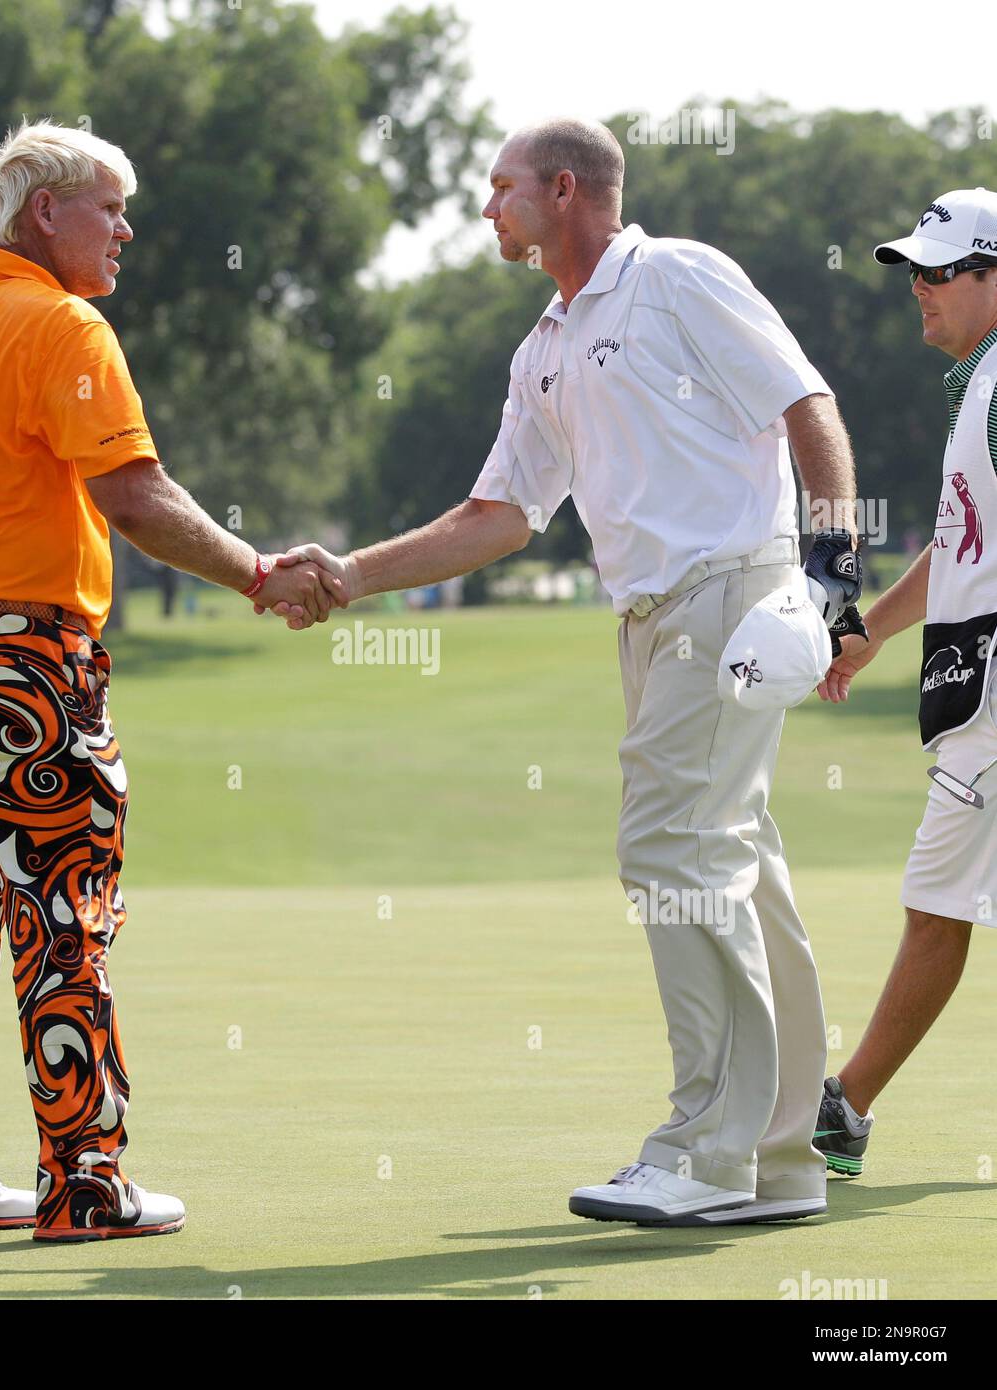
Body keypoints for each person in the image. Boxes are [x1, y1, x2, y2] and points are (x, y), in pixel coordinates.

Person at [286, 118, 861, 1225]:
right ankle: (780, 1155)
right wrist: (347, 577)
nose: (484, 208)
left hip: (729, 596)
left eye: (498, 188)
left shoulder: (673, 276)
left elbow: (805, 402)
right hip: (649, 623)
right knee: (741, 861)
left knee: (672, 848)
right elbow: (496, 514)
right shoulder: (542, 346)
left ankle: (707, 1148)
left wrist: (830, 569)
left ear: (562, 188)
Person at [0, 120, 340, 1243]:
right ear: (41, 211)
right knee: (66, 909)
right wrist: (260, 573)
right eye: (108, 206)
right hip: (21, 656)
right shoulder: (62, 322)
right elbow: (137, 498)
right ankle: (88, 1184)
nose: (125, 228)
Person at [815, 189, 997, 1177]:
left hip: (991, 694)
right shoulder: (974, 388)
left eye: (937, 273)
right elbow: (955, 544)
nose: (917, 291)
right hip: (972, 686)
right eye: (912, 273)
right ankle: (845, 1104)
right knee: (940, 899)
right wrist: (867, 633)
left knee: (936, 896)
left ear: (989, 277)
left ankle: (842, 1107)